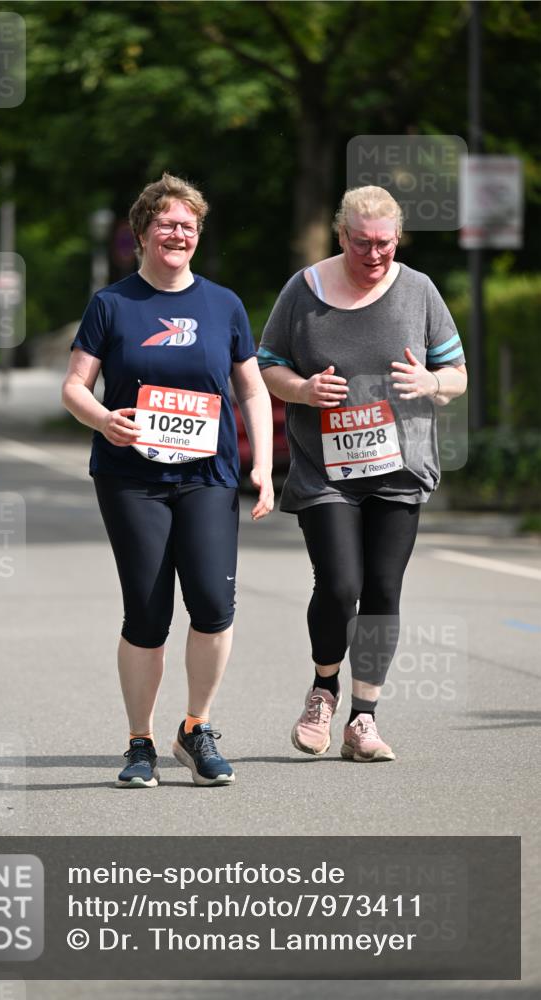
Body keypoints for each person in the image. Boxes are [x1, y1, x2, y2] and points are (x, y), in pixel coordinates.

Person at [62, 173, 274, 787]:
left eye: (189, 226)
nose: (178, 234)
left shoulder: (223, 304)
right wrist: (105, 421)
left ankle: (196, 728)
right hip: (132, 478)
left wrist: (260, 465)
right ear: (142, 235)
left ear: (198, 236)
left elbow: (252, 387)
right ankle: (139, 743)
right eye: (166, 225)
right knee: (148, 613)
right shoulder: (112, 304)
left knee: (212, 603)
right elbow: (75, 387)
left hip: (208, 473)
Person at [259, 185, 467, 762]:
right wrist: (302, 389)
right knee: (341, 584)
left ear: (397, 238)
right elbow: (267, 362)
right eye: (361, 243)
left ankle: (363, 718)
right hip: (327, 468)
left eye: (384, 243)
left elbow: (457, 373)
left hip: (400, 466)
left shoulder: (419, 290)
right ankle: (324, 688)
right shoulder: (304, 292)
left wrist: (432, 383)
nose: (374, 255)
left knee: (382, 590)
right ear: (340, 235)